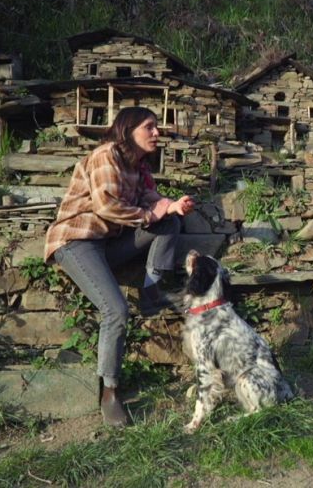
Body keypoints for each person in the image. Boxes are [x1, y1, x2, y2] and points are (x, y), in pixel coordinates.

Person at [44, 106, 196, 427]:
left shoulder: (139, 167)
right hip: (76, 242)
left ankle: (154, 293)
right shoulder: (105, 155)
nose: (157, 133)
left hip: (107, 245)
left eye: (156, 128)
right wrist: (149, 216)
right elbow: (106, 205)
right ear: (128, 130)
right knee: (115, 310)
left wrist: (171, 206)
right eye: (150, 127)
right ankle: (110, 392)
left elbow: (152, 199)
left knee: (169, 224)